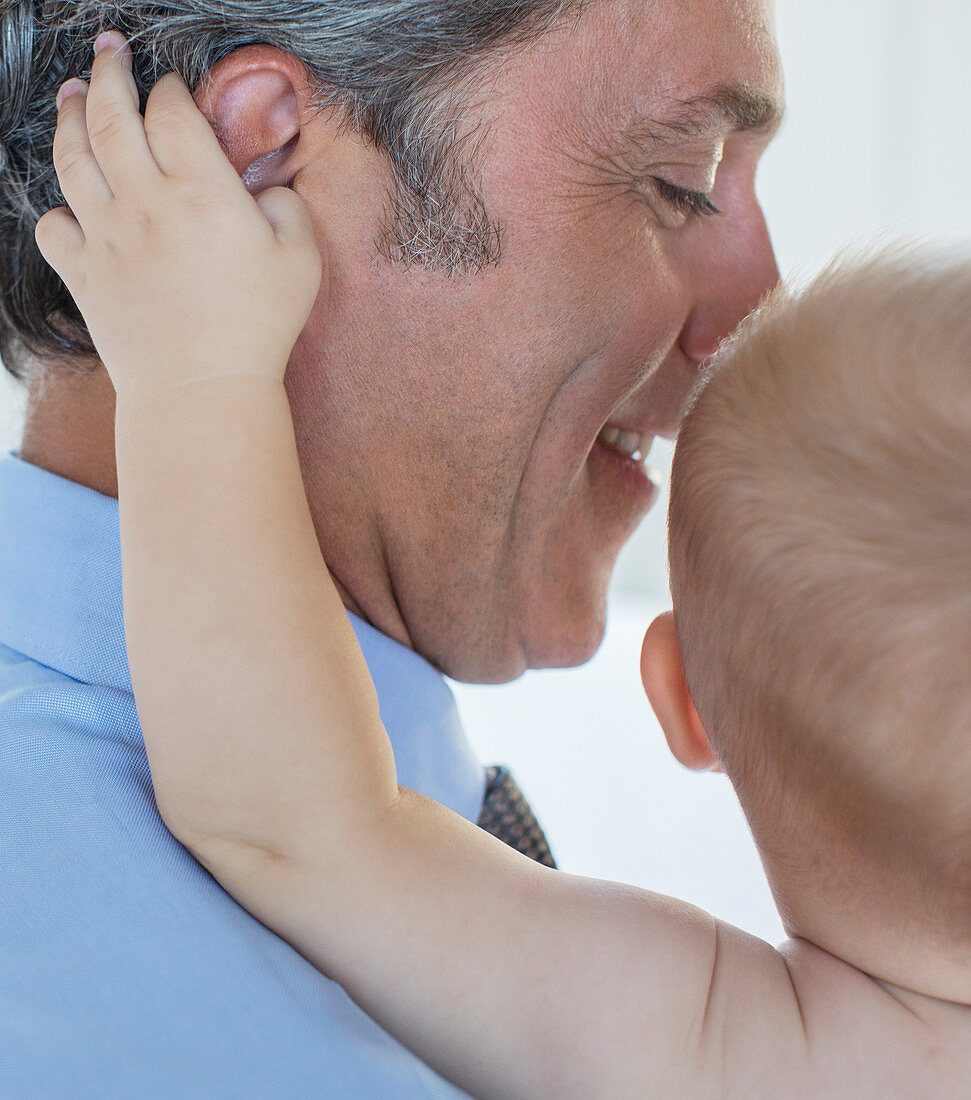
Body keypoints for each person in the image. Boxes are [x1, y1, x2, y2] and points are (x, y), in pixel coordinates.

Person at [37, 28, 971, 1099]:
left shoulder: (724, 1042)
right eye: (678, 184)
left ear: (689, 695)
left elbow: (294, 823)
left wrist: (198, 370)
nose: (748, 302)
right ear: (254, 153)